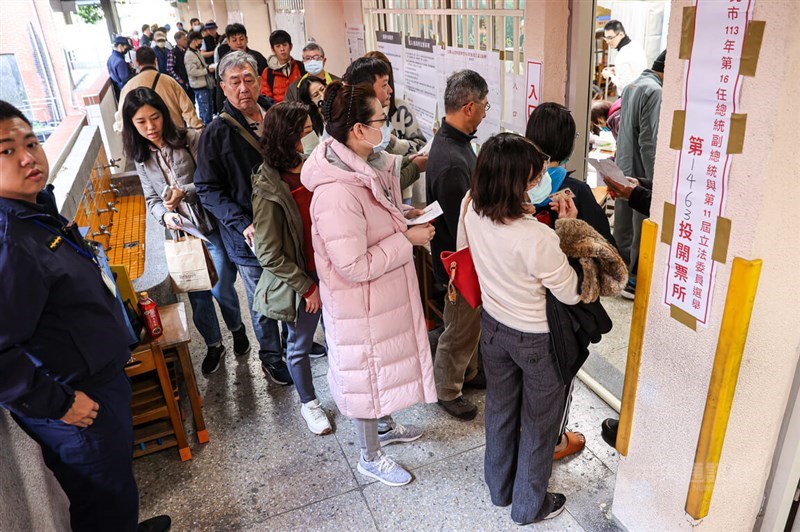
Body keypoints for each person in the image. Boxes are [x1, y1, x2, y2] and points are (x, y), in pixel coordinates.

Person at [0, 100, 171, 532]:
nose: (28, 157)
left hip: (100, 384)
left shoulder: (34, 209)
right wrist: (60, 404)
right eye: (6, 150)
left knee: (116, 490)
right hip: (77, 404)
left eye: (31, 141)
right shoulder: (9, 243)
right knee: (102, 505)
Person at [300, 81, 437, 486]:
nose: (386, 126)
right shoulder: (336, 193)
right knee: (367, 376)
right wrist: (405, 239)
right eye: (380, 119)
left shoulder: (362, 166)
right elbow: (353, 265)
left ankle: (384, 428)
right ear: (358, 130)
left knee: (380, 372)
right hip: (361, 303)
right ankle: (369, 457)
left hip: (380, 299)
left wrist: (403, 216)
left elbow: (374, 223)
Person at [464, 132, 579, 524]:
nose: (539, 183)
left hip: (493, 328)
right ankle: (529, 507)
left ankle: (499, 488)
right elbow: (570, 293)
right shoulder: (537, 237)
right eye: (533, 178)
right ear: (516, 185)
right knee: (538, 422)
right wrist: (568, 230)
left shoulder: (472, 209)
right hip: (535, 339)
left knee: (499, 408)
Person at [121, 87, 250, 374]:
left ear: (164, 115)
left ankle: (237, 328)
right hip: (182, 234)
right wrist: (165, 216)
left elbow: (212, 182)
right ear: (132, 125)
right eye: (141, 122)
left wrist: (184, 193)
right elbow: (151, 200)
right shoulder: (141, 157)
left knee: (220, 286)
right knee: (197, 294)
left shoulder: (190, 138)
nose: (150, 127)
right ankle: (214, 344)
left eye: (154, 118)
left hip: (210, 227)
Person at [524, 101, 617, 462]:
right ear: (569, 145)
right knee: (559, 374)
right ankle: (555, 441)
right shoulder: (575, 193)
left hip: (515, 303)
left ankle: (525, 432)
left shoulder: (506, 181)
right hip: (563, 308)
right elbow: (605, 251)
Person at [194, 51, 293, 385]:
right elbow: (206, 188)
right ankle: (271, 357)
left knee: (293, 282)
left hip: (286, 222)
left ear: (258, 80)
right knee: (262, 295)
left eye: (248, 79)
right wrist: (240, 222)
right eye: (234, 82)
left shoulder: (276, 114)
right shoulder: (216, 132)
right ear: (223, 87)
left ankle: (294, 344)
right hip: (248, 233)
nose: (242, 88)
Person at [251, 101, 332, 434]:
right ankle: (309, 404)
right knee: (298, 345)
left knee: (340, 337)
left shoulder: (315, 165)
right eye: (304, 133)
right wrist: (307, 287)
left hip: (332, 270)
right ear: (287, 138)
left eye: (311, 130)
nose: (310, 138)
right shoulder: (269, 186)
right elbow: (267, 252)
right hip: (306, 277)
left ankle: (345, 389)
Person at [426, 70, 489, 420]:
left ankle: (469, 373)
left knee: (470, 324)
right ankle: (447, 388)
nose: (484, 111)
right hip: (458, 262)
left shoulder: (456, 142)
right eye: (483, 105)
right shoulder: (451, 160)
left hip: (462, 258)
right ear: (468, 107)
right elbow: (460, 223)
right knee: (459, 328)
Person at [612, 50, 665, 299]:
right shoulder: (655, 91)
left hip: (623, 163)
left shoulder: (632, 86)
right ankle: (633, 280)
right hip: (640, 168)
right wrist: (657, 181)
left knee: (623, 223)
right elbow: (649, 141)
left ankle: (618, 271)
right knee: (640, 224)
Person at [343, 56, 427, 192]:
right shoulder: (356, 127)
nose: (390, 90)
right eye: (384, 85)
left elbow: (382, 164)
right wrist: (414, 167)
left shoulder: (400, 108)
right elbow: (378, 185)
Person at [113, 46, 202, 133]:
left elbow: (121, 116)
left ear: (137, 62)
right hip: (174, 133)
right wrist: (198, 127)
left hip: (146, 137)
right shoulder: (169, 81)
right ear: (155, 61)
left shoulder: (128, 86)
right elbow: (187, 109)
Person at [214, 23, 268, 112]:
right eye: (234, 40)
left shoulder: (258, 57)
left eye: (241, 39)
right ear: (228, 42)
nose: (239, 43)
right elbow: (220, 93)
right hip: (235, 108)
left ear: (247, 39)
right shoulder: (224, 63)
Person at [601, 20, 648, 94]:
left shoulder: (621, 56)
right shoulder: (636, 45)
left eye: (610, 37)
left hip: (629, 97)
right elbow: (635, 70)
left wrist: (610, 75)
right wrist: (617, 69)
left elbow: (625, 85)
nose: (607, 41)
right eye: (605, 38)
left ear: (621, 34)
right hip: (642, 93)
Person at [260, 30, 305, 103]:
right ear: (273, 49)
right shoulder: (267, 73)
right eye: (278, 46)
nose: (282, 49)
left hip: (301, 111)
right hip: (280, 113)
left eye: (284, 45)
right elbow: (267, 100)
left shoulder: (301, 67)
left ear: (291, 46)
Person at [185, 31, 216, 125]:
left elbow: (202, 65)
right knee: (205, 111)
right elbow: (192, 72)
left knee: (209, 109)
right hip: (199, 86)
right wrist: (206, 70)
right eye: (199, 41)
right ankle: (206, 131)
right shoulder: (189, 55)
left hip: (205, 84)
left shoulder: (196, 52)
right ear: (194, 41)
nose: (201, 43)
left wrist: (208, 67)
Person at [167, 30, 192, 99]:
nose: (186, 41)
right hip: (180, 81)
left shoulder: (187, 51)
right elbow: (170, 69)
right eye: (184, 39)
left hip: (189, 80)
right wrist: (179, 79)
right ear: (177, 40)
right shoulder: (172, 53)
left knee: (192, 101)